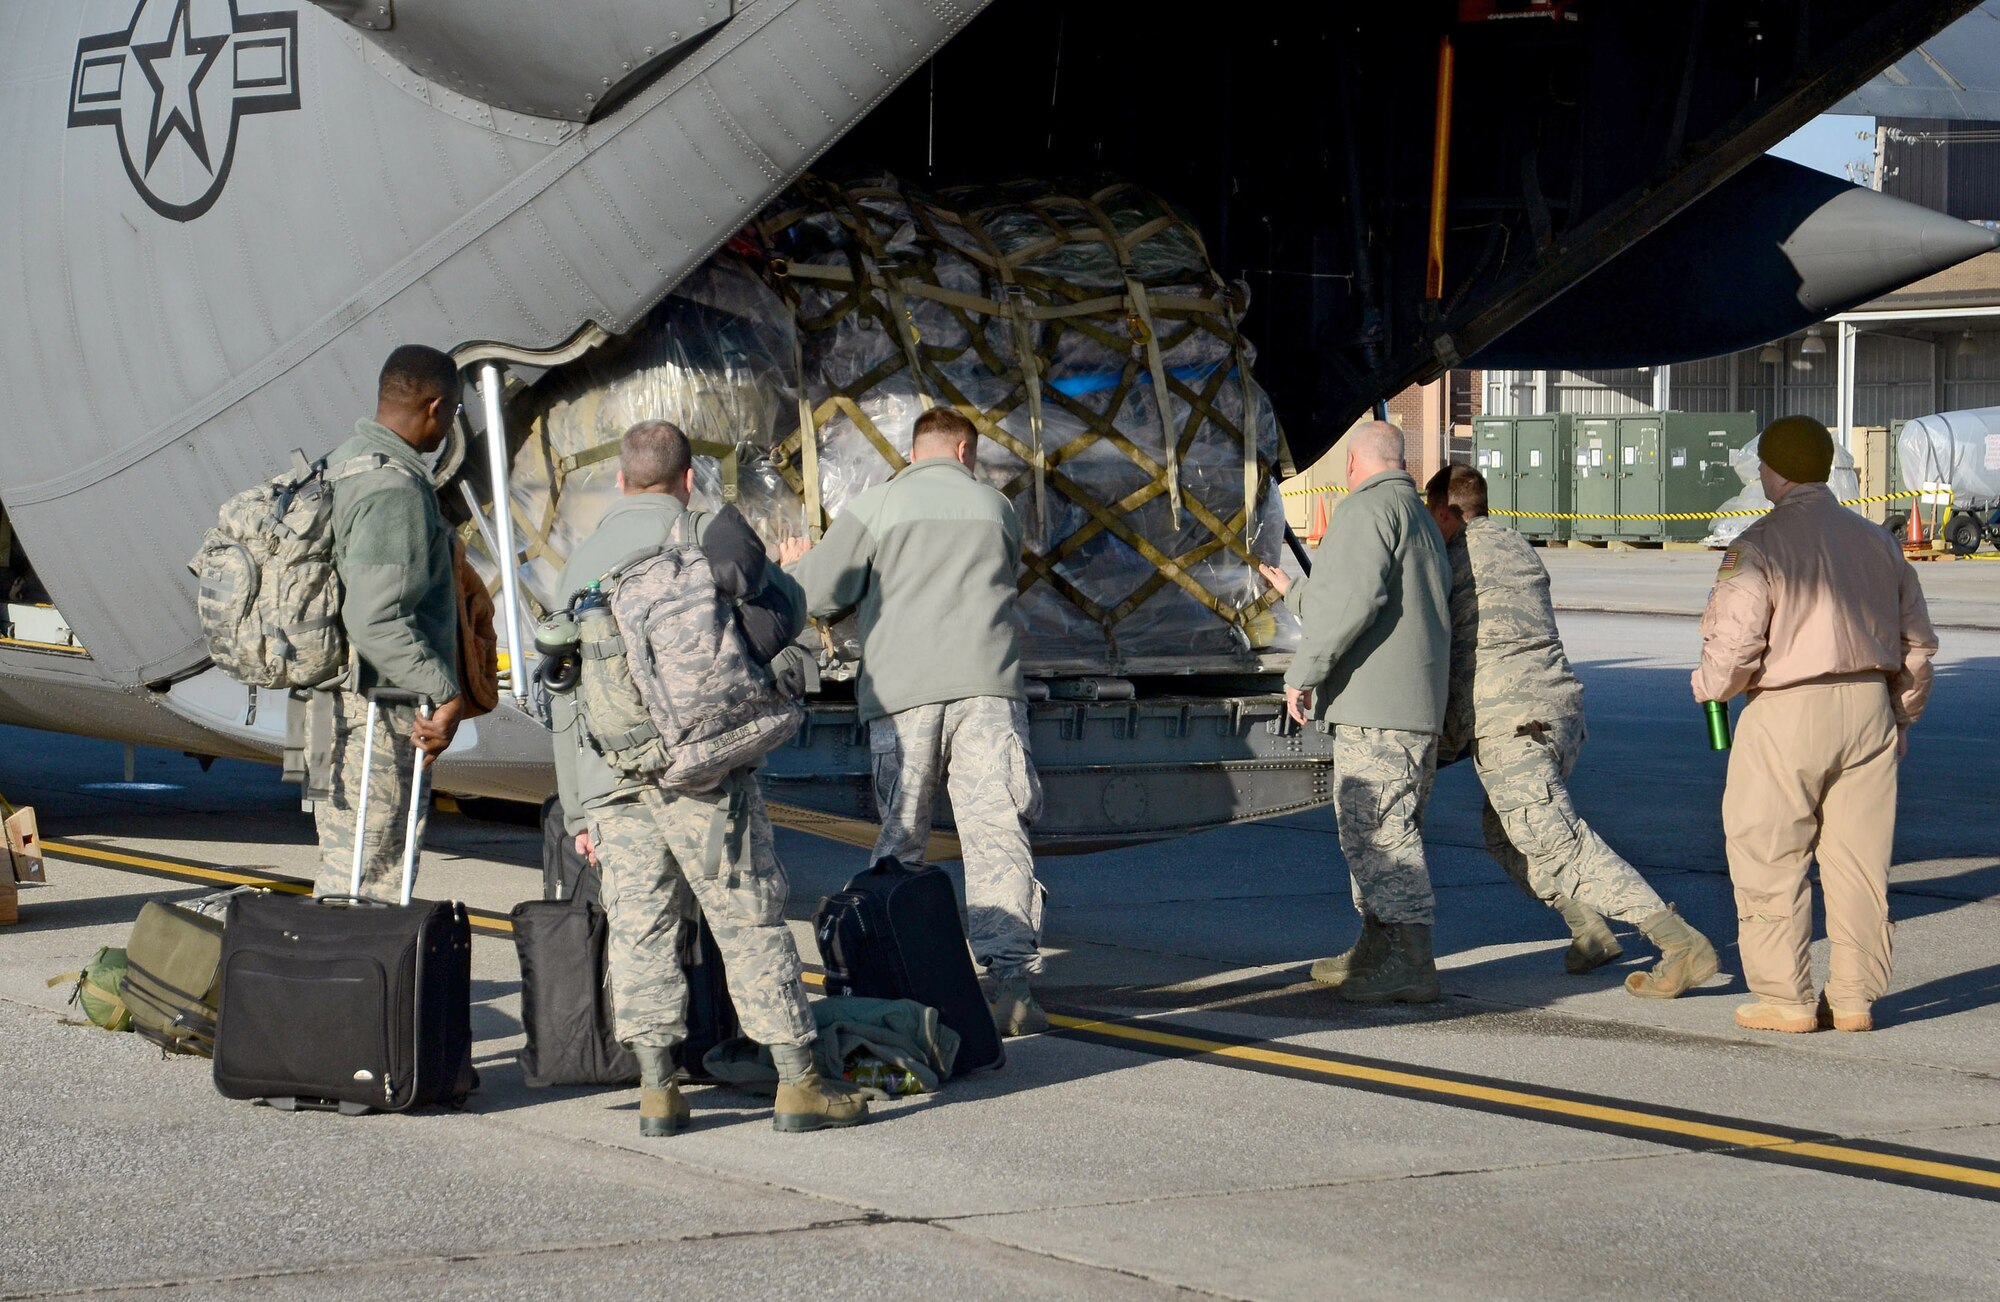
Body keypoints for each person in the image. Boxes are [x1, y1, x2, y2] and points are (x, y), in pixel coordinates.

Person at [553, 420, 865, 1135]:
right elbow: (785, 614)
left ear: (622, 481)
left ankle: (659, 1093)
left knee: (641, 928)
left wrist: (580, 810)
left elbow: (563, 700)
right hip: (705, 773)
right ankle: (797, 1083)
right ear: (688, 478)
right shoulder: (708, 534)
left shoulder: (583, 563)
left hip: (615, 775)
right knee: (747, 916)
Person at [787, 407, 1048, 1035]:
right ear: (964, 451)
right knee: (995, 834)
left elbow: (819, 596)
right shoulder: (997, 509)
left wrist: (797, 561)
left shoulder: (876, 507)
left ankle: (895, 973)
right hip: (988, 692)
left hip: (904, 698)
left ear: (916, 450)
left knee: (902, 839)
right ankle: (1013, 984)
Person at [1424, 465, 1717, 997]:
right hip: (1557, 712)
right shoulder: (1518, 546)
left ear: (1444, 512)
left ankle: (1678, 942)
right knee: (1506, 832)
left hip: (1510, 721)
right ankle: (1589, 930)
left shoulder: (1450, 558)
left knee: (1560, 843)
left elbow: (1440, 648)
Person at [1694, 416, 1937, 1034]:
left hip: (1786, 712)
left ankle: (1787, 997)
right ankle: (1854, 997)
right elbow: (1917, 646)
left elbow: (1734, 645)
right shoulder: (1878, 542)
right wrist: (1899, 717)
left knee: (1770, 854)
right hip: (1868, 709)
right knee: (1859, 866)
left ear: (1773, 471)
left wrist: (1709, 688)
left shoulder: (1759, 543)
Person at [1269, 421, 1452, 1005]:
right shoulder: (1417, 516)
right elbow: (1361, 596)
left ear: (1352, 465)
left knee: (1378, 832)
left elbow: (1352, 605)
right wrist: (1295, 593)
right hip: (1414, 704)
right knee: (1388, 827)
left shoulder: (1363, 510)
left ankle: (1409, 960)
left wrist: (1302, 675)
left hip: (1376, 708)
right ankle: (1376, 947)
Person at [311, 345, 463, 900]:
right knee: (370, 874)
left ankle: (333, 977)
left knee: (343, 855)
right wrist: (443, 692)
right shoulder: (395, 489)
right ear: (436, 407)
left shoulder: (342, 461)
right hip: (375, 708)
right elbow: (375, 620)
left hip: (327, 702)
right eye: (454, 414)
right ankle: (348, 981)